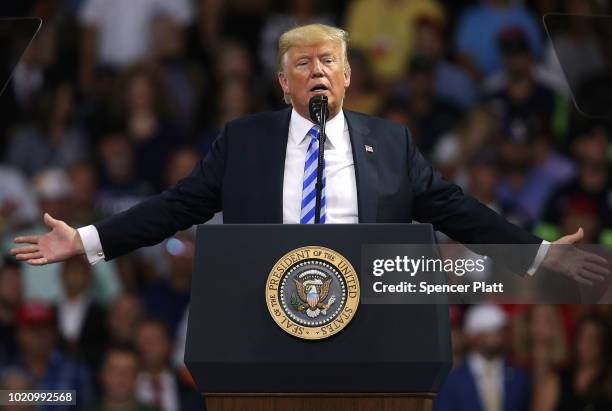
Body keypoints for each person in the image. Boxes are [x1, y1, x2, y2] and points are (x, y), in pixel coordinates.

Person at [10, 24, 609, 286]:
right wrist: (86, 239)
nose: (317, 71)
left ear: (347, 78)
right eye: (304, 63)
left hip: (368, 313)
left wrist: (536, 254)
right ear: (283, 84)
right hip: (262, 311)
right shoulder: (244, 141)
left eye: (328, 62)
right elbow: (174, 207)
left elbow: (456, 209)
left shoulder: (391, 142)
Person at [434, 304, 532, 411]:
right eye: (488, 330)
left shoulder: (520, 377)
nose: (495, 335)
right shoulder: (450, 382)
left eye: (499, 330)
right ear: (471, 335)